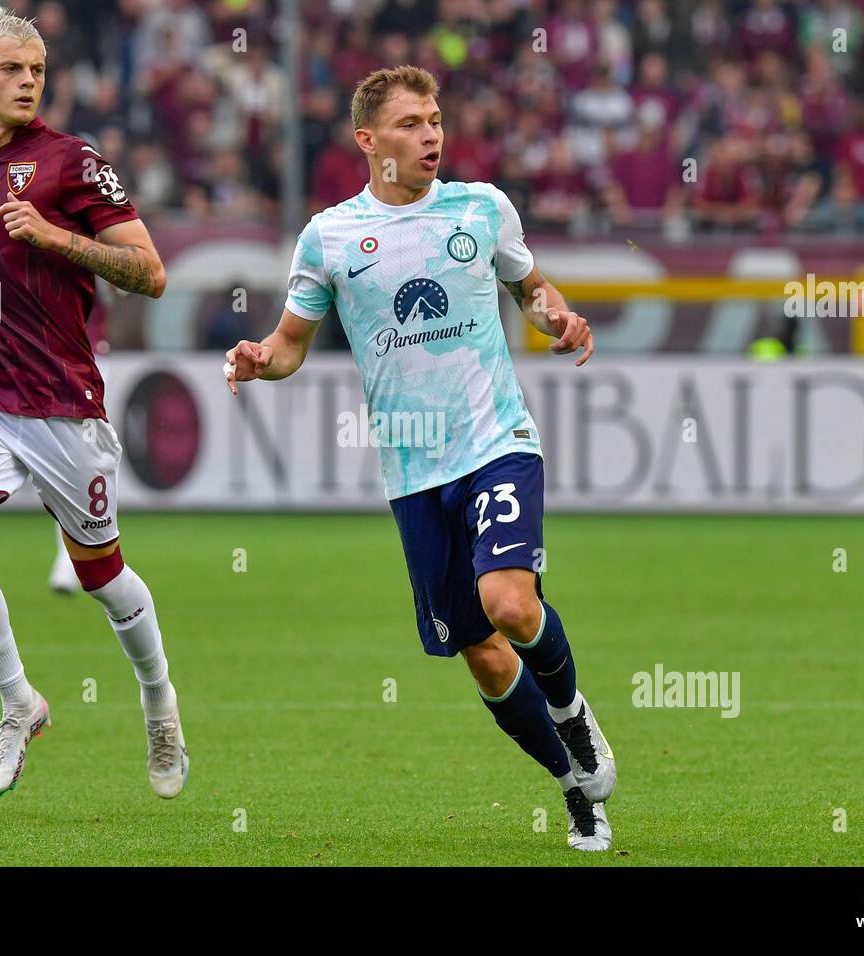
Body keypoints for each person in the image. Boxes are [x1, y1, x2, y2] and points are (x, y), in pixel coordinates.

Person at [224, 65, 616, 851]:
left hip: (496, 440)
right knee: (482, 653)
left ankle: (577, 722)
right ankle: (574, 788)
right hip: (412, 471)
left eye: (435, 118)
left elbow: (531, 290)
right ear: (368, 140)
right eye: (410, 123)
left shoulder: (482, 207)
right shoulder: (329, 236)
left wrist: (560, 319)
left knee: (510, 602)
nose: (430, 133)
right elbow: (291, 344)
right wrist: (259, 359)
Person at [0, 7, 186, 798]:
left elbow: (150, 272)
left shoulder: (73, 163)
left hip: (63, 401)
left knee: (102, 573)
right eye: (11, 69)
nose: (28, 80)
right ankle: (17, 702)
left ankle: (158, 699)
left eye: (37, 69)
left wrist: (56, 237)